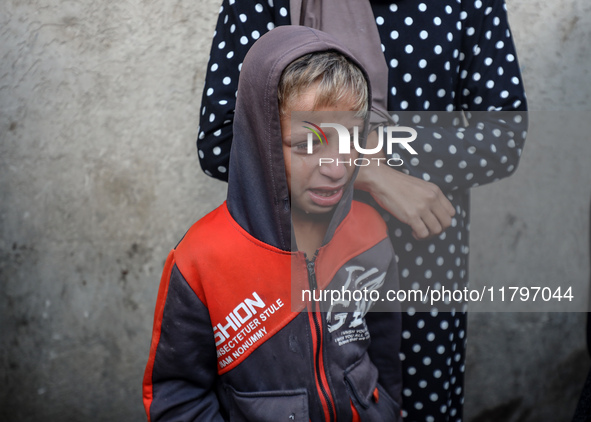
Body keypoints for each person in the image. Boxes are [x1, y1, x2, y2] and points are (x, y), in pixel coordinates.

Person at [196, 2, 528, 420]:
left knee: (416, 406)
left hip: (420, 268)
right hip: (297, 267)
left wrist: (378, 149)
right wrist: (366, 169)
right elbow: (222, 141)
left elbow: (503, 134)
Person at [143, 26, 403, 421]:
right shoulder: (201, 260)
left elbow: (384, 348)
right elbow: (177, 396)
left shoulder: (370, 232)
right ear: (259, 141)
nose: (335, 168)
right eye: (306, 145)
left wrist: (385, 408)